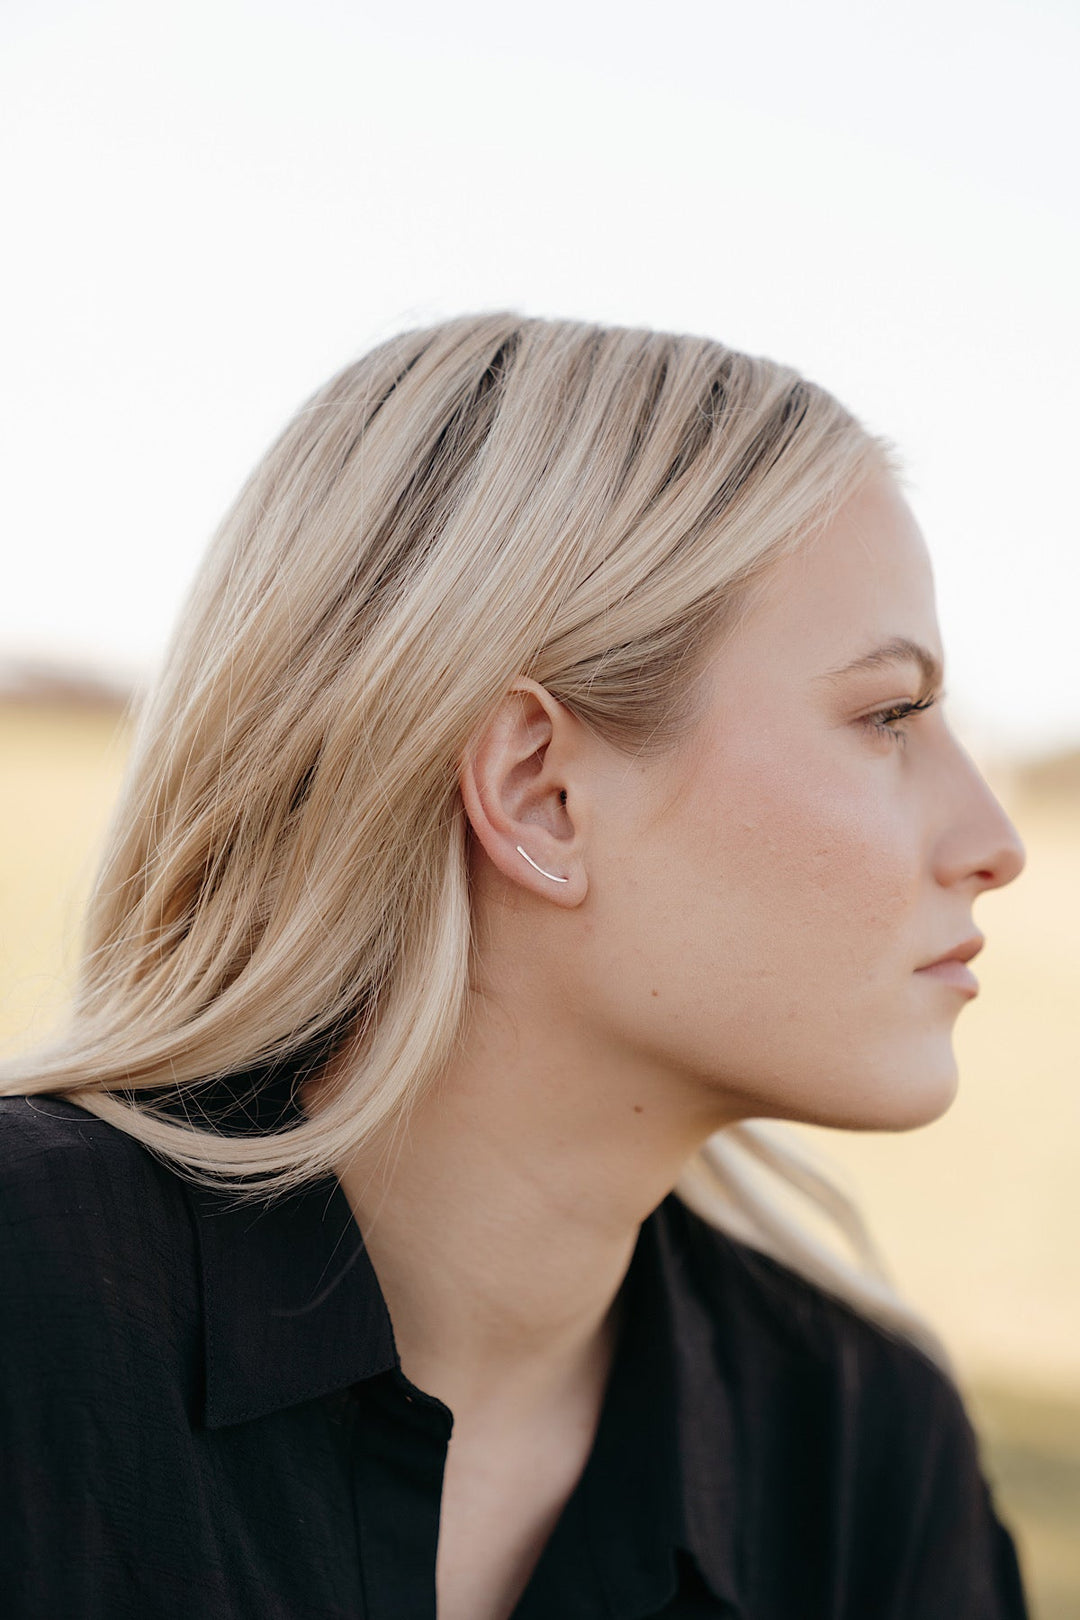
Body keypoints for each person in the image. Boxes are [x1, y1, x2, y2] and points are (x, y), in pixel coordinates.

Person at [0, 312, 1032, 1619]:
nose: (994, 846)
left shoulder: (860, 1458)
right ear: (539, 791)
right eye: (888, 714)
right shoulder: (29, 1308)